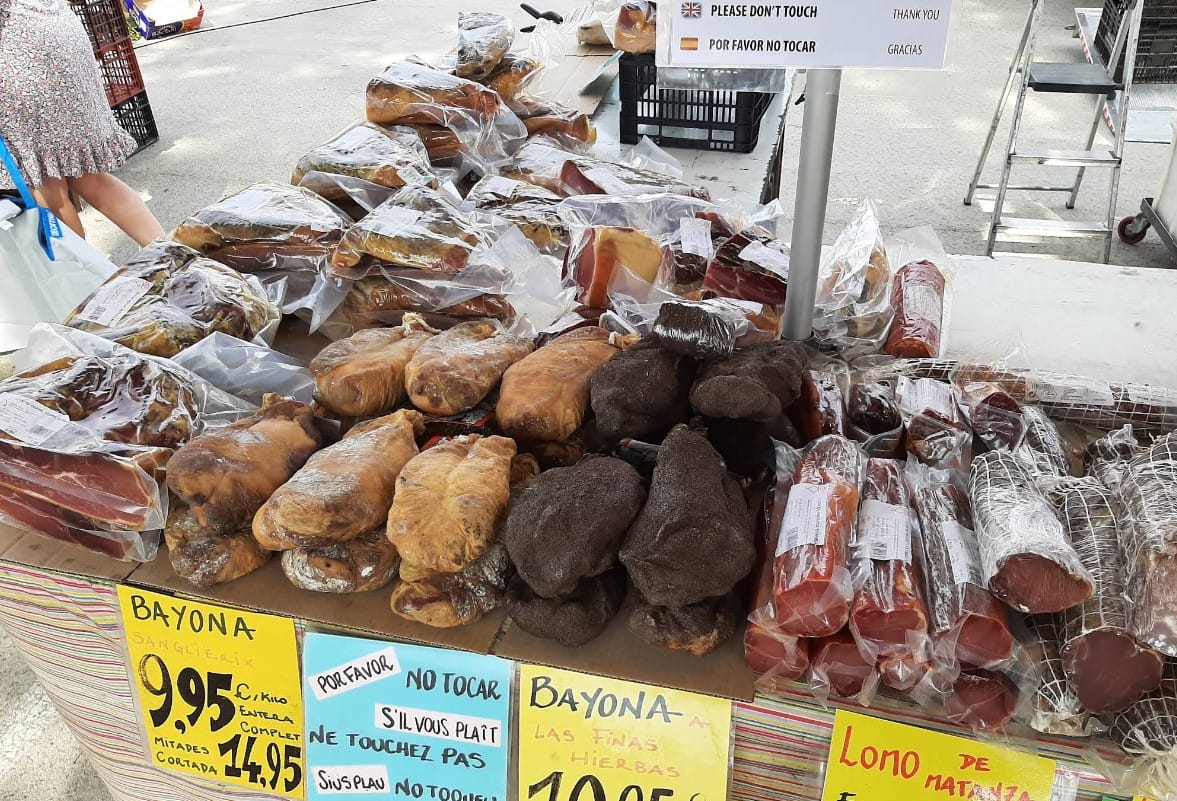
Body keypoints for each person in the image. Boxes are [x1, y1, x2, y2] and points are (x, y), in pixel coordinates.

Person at [0, 0, 164, 246]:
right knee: (90, 177)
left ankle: (81, 268)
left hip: (21, 57)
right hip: (60, 34)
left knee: (46, 184)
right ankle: (172, 254)